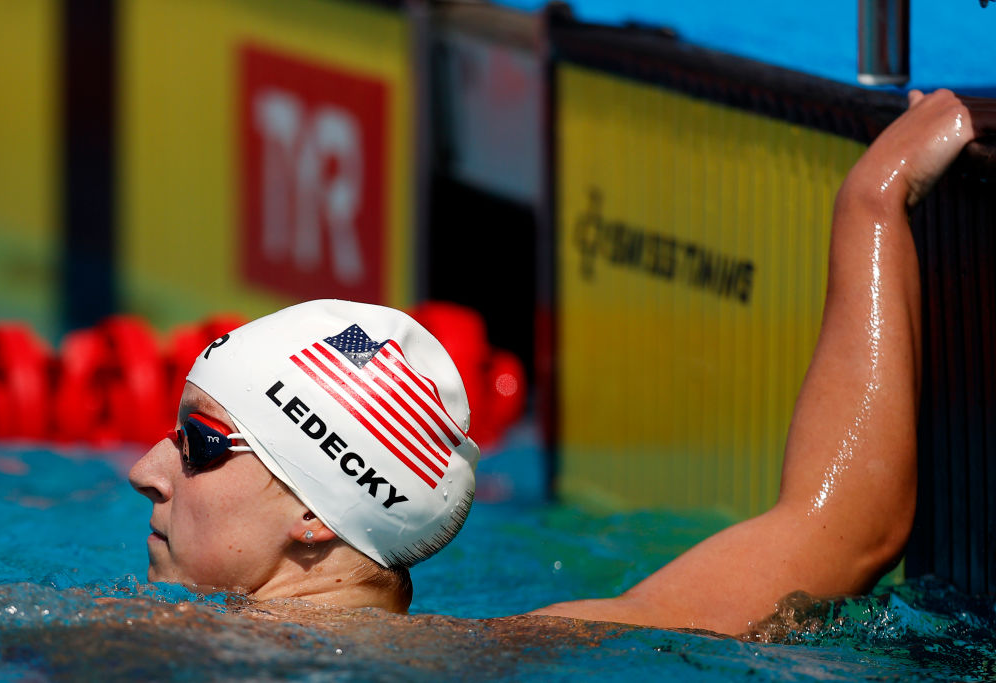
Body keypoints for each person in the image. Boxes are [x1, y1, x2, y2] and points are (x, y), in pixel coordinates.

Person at [129, 89, 996, 636]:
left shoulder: (140, 649)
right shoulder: (527, 649)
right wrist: (872, 201)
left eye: (197, 442)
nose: (144, 469)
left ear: (315, 511)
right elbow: (841, 529)